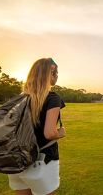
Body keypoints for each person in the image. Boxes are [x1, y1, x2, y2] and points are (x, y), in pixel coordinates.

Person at [8, 58, 66, 195]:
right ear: (50, 74)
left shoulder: (20, 98)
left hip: (17, 160)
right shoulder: (52, 98)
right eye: (56, 72)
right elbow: (50, 133)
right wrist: (61, 132)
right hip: (42, 160)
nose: (57, 76)